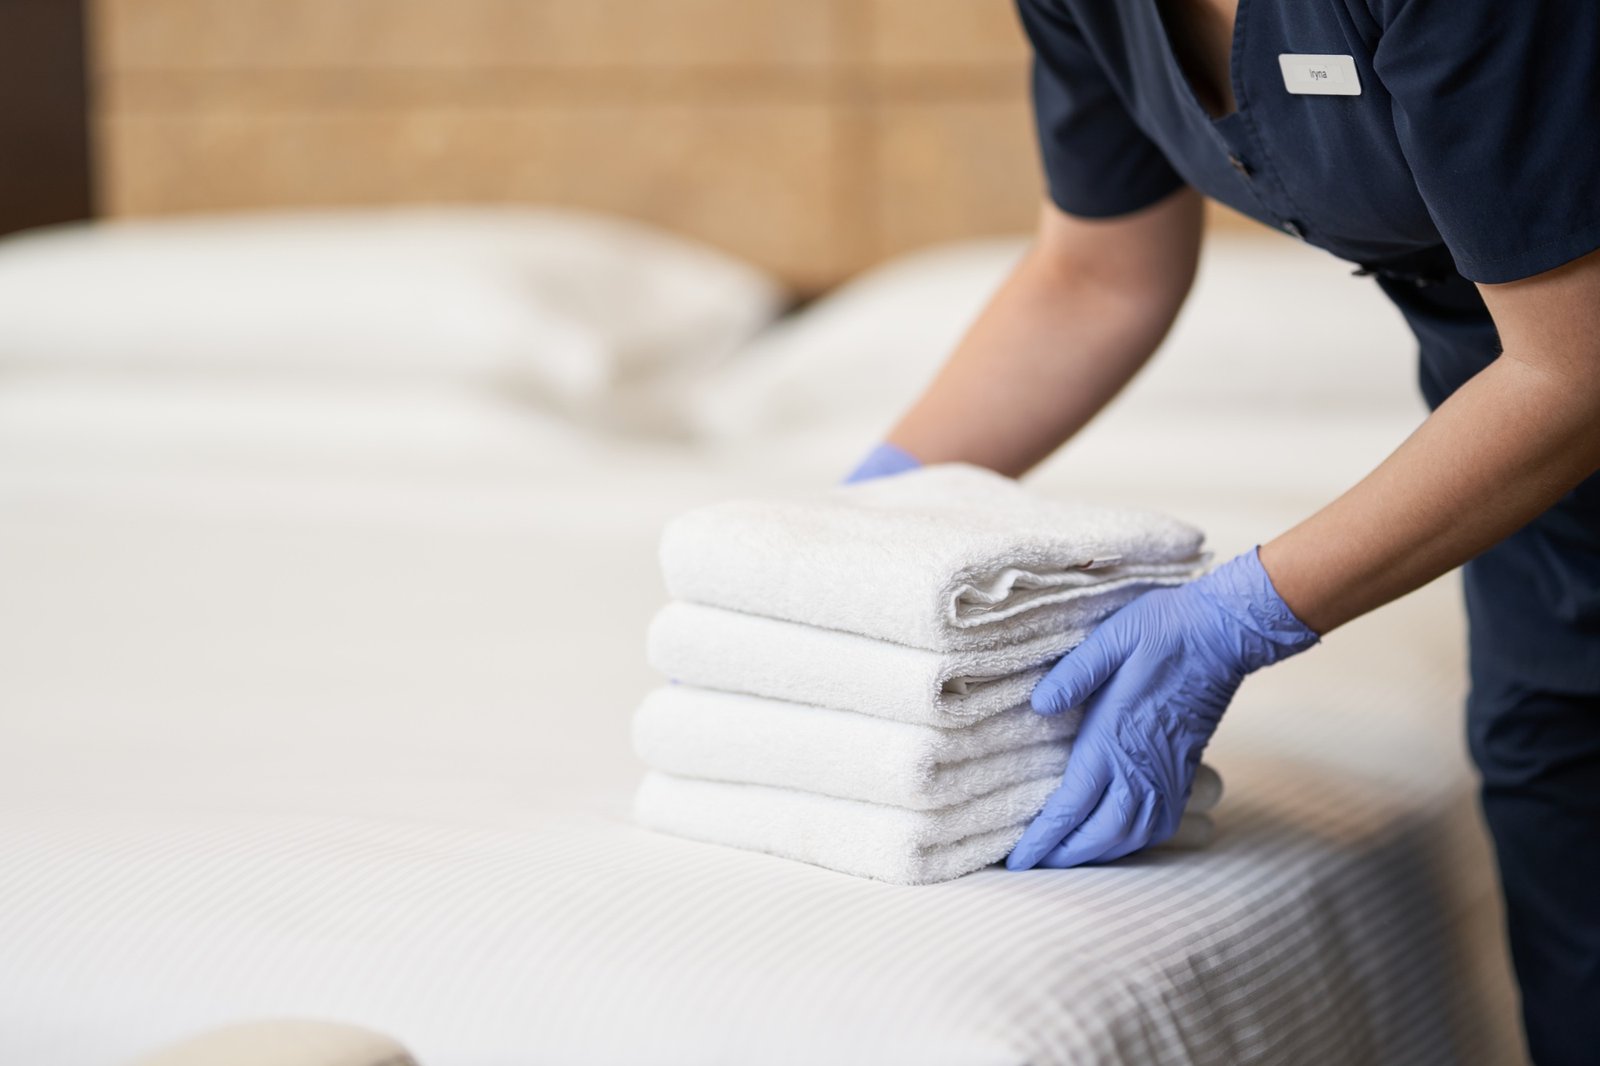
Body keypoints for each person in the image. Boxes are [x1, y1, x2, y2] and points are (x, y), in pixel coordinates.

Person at [844, 1, 1600, 1061]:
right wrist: (861, 520)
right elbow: (1095, 276)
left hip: (1555, 386)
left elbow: (1576, 365)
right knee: (1560, 806)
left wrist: (1243, 612)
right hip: (1514, 452)